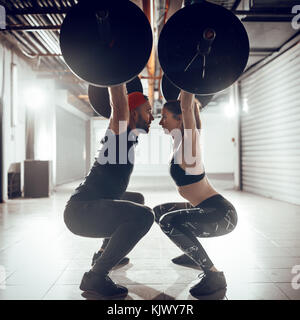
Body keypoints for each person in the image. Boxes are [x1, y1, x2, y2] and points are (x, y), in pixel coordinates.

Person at [64, 85, 155, 298]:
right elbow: (117, 103)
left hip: (87, 207)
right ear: (132, 113)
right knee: (145, 216)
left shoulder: (128, 138)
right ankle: (96, 275)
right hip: (81, 213)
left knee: (136, 199)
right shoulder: (119, 132)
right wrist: (117, 74)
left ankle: (103, 252)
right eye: (148, 110)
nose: (152, 116)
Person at [153, 91, 238, 297]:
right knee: (159, 211)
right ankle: (191, 253)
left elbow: (187, 109)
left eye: (165, 117)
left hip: (220, 214)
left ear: (180, 118)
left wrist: (187, 84)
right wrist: (186, 95)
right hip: (207, 208)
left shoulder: (190, 145)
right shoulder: (182, 141)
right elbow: (191, 114)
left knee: (168, 221)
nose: (160, 122)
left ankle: (213, 275)